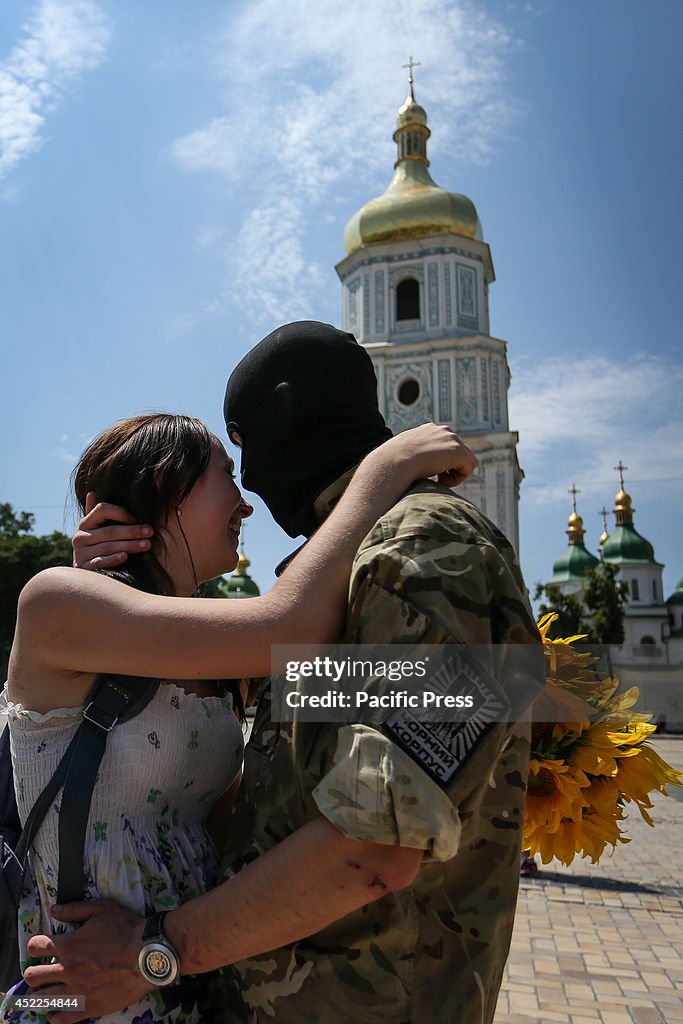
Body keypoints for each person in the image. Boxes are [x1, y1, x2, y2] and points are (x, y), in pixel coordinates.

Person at [24, 323, 538, 1024]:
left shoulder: (423, 545)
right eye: (227, 472)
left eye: (243, 452)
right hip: (130, 981)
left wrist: (158, 952)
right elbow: (286, 779)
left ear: (288, 415)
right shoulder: (329, 581)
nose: (250, 493)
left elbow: (374, 844)